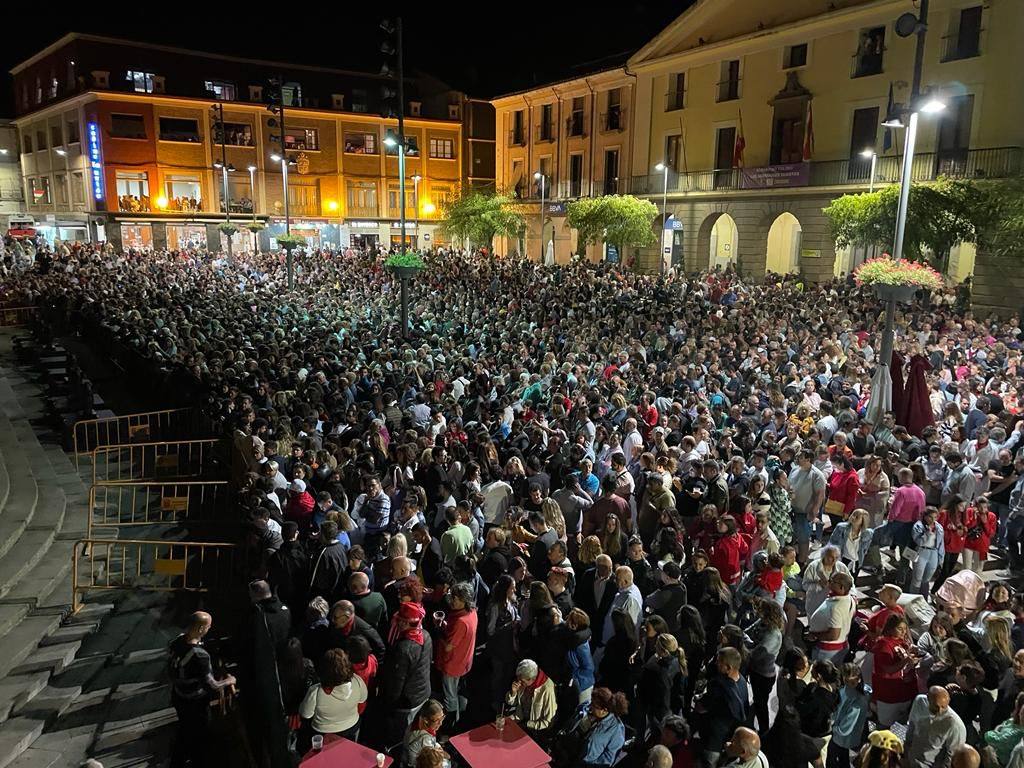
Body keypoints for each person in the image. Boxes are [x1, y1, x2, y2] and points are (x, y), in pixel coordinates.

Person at [167, 611, 236, 768]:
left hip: (178, 695)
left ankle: (177, 760)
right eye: (208, 626)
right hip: (195, 701)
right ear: (200, 629)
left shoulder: (177, 640)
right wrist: (228, 681)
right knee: (199, 734)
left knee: (184, 728)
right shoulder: (200, 655)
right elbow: (212, 685)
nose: (209, 628)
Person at [381, 601, 433, 746]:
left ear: (404, 623)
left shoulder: (403, 649)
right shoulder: (426, 635)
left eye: (399, 620)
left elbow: (397, 682)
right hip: (423, 693)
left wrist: (390, 704)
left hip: (408, 701)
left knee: (403, 734)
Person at [299, 648, 368, 742]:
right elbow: (363, 699)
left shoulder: (316, 691)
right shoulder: (357, 681)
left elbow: (305, 714)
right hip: (352, 727)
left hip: (323, 734)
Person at [435, 582, 477, 727]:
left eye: (455, 598)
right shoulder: (472, 613)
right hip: (464, 661)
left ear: (465, 600)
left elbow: (448, 647)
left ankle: (451, 724)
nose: (452, 601)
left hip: (453, 664)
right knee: (458, 692)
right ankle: (461, 715)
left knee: (449, 695)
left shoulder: (461, 621)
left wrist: (438, 631)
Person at [699, 646, 749, 768]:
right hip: (729, 739)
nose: (716, 663)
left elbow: (700, 708)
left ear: (728, 668)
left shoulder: (719, 686)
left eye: (719, 662)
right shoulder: (742, 681)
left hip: (713, 739)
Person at [904, 686, 968, 768]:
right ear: (928, 698)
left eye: (944, 707)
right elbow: (912, 725)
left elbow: (951, 757)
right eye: (936, 706)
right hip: (911, 758)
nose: (940, 711)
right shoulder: (920, 701)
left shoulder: (955, 725)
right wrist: (906, 750)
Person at [505, 658, 557, 736]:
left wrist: (526, 725)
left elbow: (548, 723)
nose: (519, 683)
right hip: (519, 719)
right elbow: (512, 703)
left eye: (522, 681)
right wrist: (513, 693)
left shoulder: (547, 690)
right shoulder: (523, 681)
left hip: (534, 730)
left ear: (531, 679)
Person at [578, 687, 628, 768]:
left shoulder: (616, 731)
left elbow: (608, 758)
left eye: (593, 706)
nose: (590, 707)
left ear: (604, 710)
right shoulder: (589, 712)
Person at [403, 699, 445, 768]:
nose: (440, 723)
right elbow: (433, 764)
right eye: (437, 720)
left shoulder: (418, 720)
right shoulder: (425, 740)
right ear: (426, 720)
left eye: (442, 718)